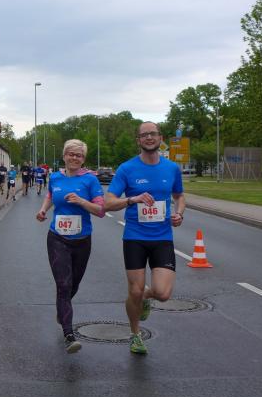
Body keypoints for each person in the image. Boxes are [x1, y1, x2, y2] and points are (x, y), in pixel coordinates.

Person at [104, 122, 185, 355]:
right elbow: (108, 202)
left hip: (162, 237)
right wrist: (132, 199)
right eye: (144, 135)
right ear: (138, 140)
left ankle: (146, 297)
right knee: (135, 291)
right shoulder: (127, 169)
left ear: (160, 137)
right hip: (135, 238)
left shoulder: (171, 168)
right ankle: (135, 334)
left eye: (153, 134)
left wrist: (179, 213)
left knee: (163, 293)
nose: (149, 137)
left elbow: (179, 196)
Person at [36, 140, 105, 353]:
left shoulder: (90, 180)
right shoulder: (55, 177)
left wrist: (81, 201)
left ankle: (62, 307)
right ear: (64, 156)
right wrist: (43, 210)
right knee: (63, 285)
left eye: (79, 155)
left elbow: (101, 211)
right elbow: (50, 195)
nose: (74, 158)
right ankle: (69, 334)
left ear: (83, 159)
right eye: (71, 154)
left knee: (73, 284)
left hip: (82, 240)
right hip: (57, 238)